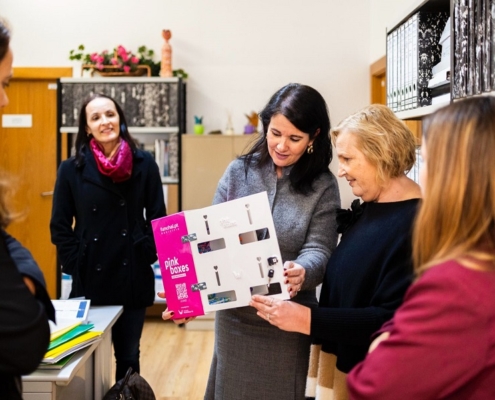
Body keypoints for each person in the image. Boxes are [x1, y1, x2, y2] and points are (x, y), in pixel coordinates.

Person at [251, 103, 422, 400]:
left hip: (369, 379)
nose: (340, 171)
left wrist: (306, 319)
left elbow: (391, 319)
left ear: (380, 155)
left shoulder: (416, 225)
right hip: (339, 368)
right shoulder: (374, 207)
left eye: (347, 159)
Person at [194, 83, 341, 400]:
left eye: (294, 138)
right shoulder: (239, 172)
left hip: (288, 321)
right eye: (275, 133)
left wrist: (302, 270)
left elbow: (320, 248)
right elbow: (208, 236)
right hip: (235, 317)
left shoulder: (323, 186)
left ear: (314, 137)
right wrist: (190, 285)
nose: (281, 146)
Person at [347, 97, 495, 399]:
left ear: (454, 176)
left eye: (426, 162)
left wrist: (382, 341)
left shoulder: (459, 286)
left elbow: (372, 385)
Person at [50, 93, 166, 381]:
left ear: (120, 119)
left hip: (132, 275)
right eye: (96, 117)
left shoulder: (144, 163)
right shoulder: (71, 169)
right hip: (90, 276)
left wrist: (144, 255)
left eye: (110, 114)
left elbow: (158, 219)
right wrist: (77, 263)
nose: (105, 122)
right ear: (87, 128)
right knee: (87, 358)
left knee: (128, 356)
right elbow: (60, 226)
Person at [0, 17, 55, 399]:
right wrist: (32, 278)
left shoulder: (142, 166)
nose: (6, 99)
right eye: (4, 83)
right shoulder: (73, 167)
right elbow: (25, 339)